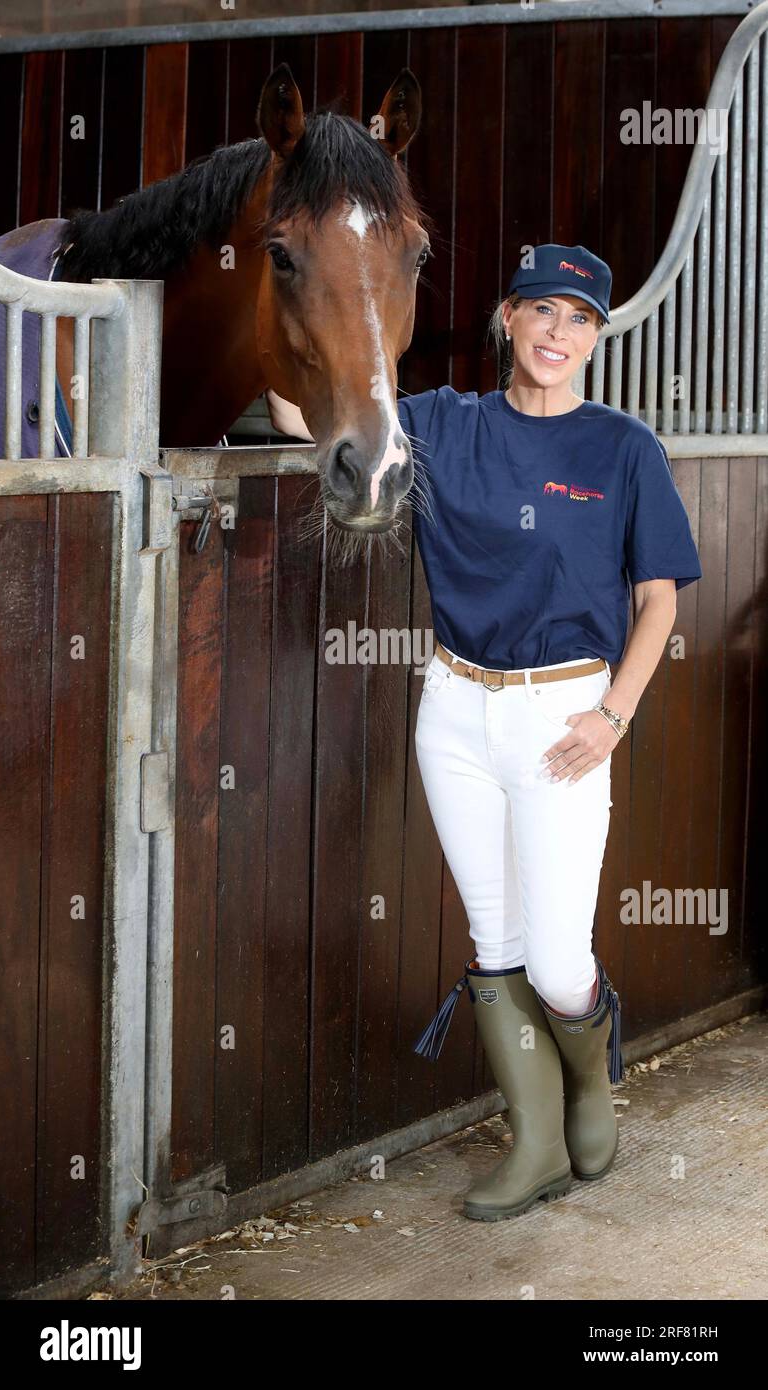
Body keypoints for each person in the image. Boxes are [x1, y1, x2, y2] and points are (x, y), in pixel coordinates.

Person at [266, 242, 702, 1223]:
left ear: (595, 338)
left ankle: (591, 1080)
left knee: (555, 957)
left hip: (565, 715)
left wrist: (612, 717)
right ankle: (536, 1144)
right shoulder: (441, 424)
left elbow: (660, 603)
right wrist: (283, 314)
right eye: (542, 311)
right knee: (494, 942)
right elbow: (307, 416)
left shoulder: (621, 449)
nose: (558, 333)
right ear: (507, 319)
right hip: (455, 709)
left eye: (580, 319)